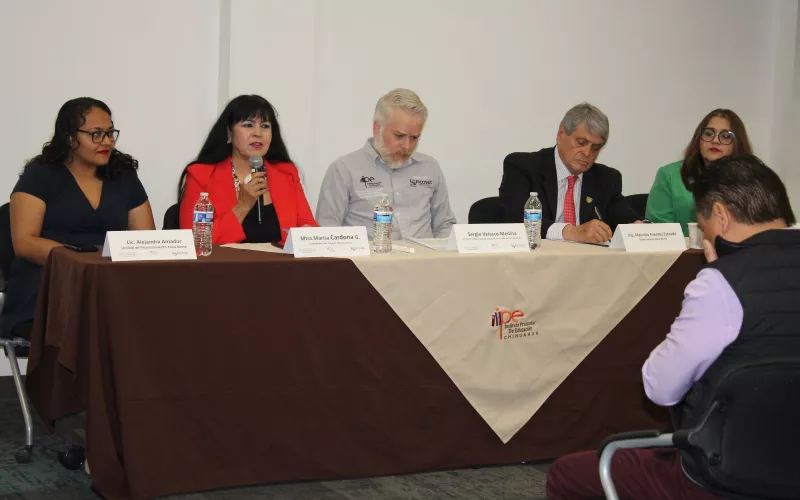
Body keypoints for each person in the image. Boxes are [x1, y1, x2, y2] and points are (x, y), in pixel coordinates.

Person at [546, 153, 798, 500]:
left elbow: (660, 388)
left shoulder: (721, 283)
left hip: (722, 476)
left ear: (721, 216)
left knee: (566, 475)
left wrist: (716, 272)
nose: (705, 236)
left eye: (703, 226)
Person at [1, 97, 155, 340]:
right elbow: (25, 243)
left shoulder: (123, 175)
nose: (107, 141)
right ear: (70, 138)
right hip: (49, 282)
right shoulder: (40, 175)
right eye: (96, 134)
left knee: (159, 314)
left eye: (110, 133)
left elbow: (145, 240)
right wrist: (82, 262)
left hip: (108, 283)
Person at [315, 88, 456, 240]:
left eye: (414, 138)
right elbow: (326, 232)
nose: (407, 146)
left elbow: (444, 225)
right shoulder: (343, 170)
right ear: (377, 128)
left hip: (423, 255)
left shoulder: (430, 168)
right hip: (369, 255)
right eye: (399, 136)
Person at [178, 95, 316, 245]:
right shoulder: (202, 176)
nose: (258, 133)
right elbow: (196, 242)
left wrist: (309, 236)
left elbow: (309, 228)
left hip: (278, 260)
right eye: (248, 125)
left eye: (265, 126)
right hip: (226, 261)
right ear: (229, 133)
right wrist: (243, 205)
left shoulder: (286, 173)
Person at [499, 103, 641, 243]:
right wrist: (571, 232)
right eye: (581, 142)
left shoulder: (607, 178)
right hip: (540, 256)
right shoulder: (523, 167)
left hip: (589, 258)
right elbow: (515, 220)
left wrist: (639, 228)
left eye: (595, 148)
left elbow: (627, 219)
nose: (587, 153)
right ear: (561, 134)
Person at [645, 109, 752, 236]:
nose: (715, 140)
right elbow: (658, 233)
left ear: (737, 143)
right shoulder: (670, 175)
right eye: (708, 134)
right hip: (683, 248)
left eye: (725, 136)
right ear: (699, 139)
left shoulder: (751, 180)